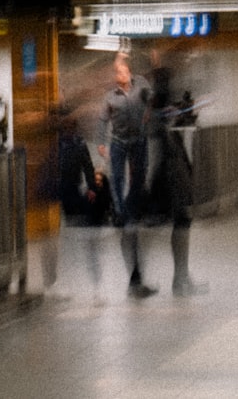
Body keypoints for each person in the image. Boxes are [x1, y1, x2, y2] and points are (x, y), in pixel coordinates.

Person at [146, 49, 209, 297]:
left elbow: (177, 119)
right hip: (169, 165)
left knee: (181, 220)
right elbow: (167, 115)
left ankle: (181, 278)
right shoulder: (160, 97)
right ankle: (180, 279)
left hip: (172, 160)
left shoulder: (160, 102)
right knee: (181, 219)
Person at [97, 53, 156, 299]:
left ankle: (137, 204)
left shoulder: (141, 84)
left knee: (139, 174)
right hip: (119, 141)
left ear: (129, 71)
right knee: (118, 176)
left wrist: (150, 116)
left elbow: (153, 101)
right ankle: (120, 211)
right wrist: (102, 143)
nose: (118, 76)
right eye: (115, 72)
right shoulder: (110, 97)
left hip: (138, 139)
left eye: (121, 71)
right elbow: (102, 121)